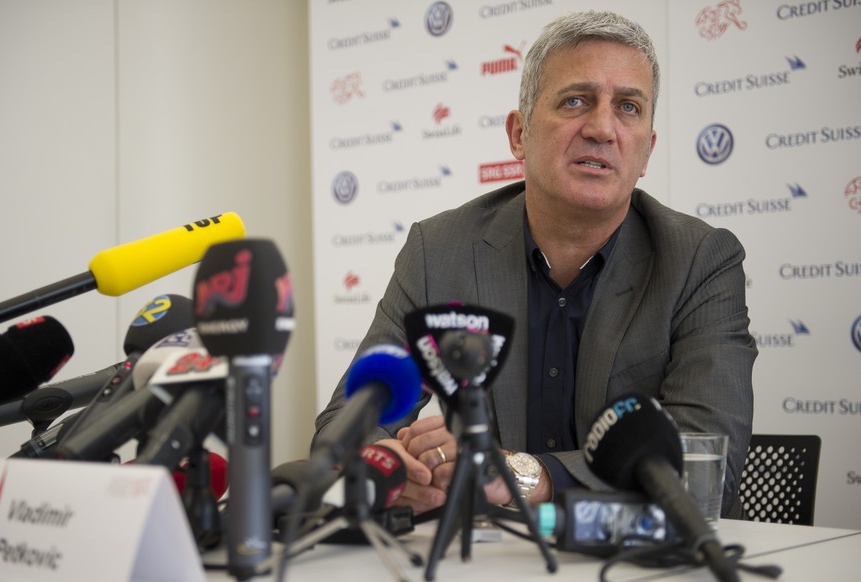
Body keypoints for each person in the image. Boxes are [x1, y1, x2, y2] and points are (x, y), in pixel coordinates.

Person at [312, 10, 756, 519]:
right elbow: (348, 420)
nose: (602, 127)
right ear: (519, 134)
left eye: (628, 107)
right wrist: (383, 463)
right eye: (576, 101)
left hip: (645, 558)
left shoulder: (700, 260)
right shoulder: (439, 251)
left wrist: (526, 475)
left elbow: (705, 454)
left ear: (646, 151)